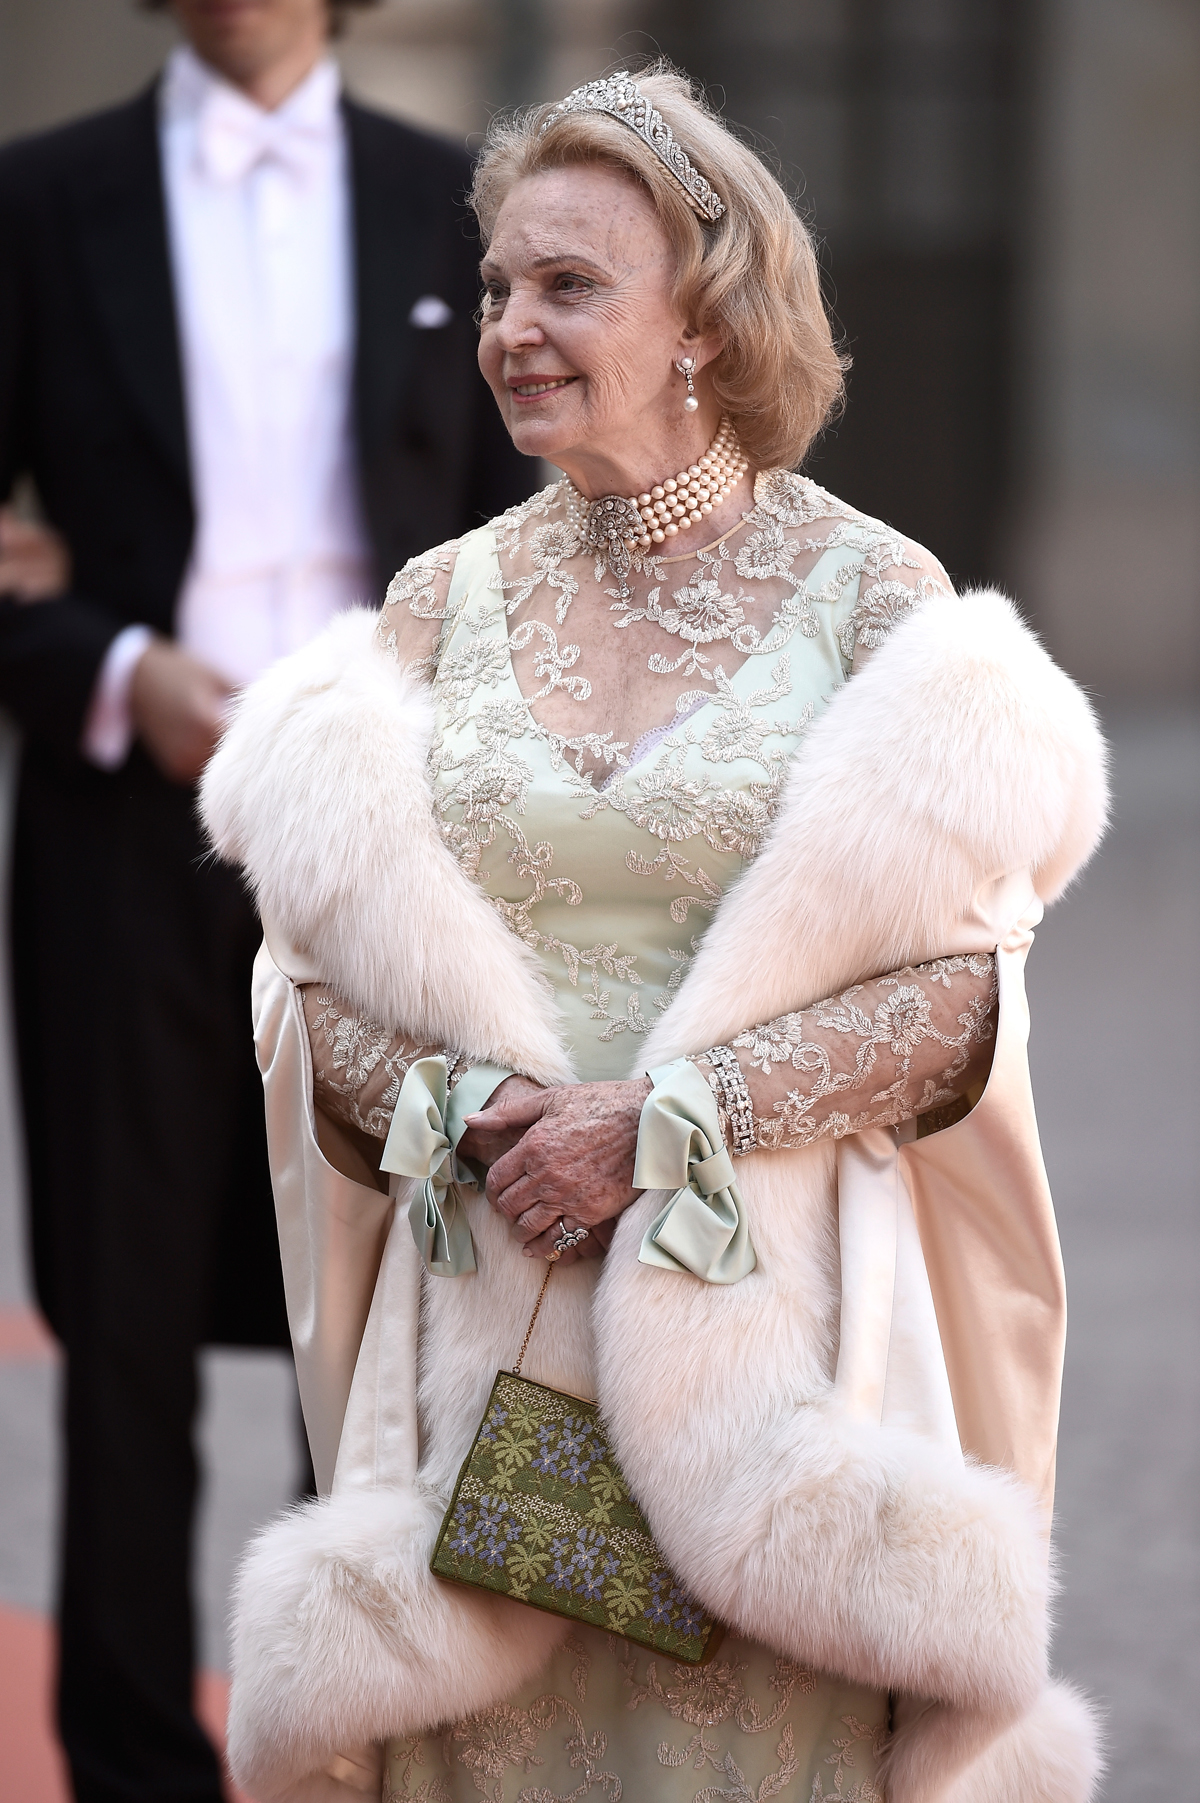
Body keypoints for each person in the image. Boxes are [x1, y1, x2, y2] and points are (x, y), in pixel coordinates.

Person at [201, 68, 1107, 1803]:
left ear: (705, 314)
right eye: (496, 289)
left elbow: (958, 998)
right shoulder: (436, 603)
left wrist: (672, 1122)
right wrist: (470, 1108)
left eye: (569, 287)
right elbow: (303, 985)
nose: (511, 330)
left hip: (770, 1364)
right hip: (495, 1334)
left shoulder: (878, 600)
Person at [0, 0, 531, 1795]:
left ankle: (346, 1748)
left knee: (380, 1318)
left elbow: (518, 519)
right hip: (127, 822)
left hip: (389, 834)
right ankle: (135, 1766)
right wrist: (107, 658)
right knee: (124, 1331)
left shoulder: (452, 201)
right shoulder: (37, 199)